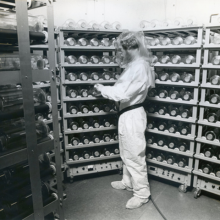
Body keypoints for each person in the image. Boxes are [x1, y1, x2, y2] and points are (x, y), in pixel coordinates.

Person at [94, 31, 155, 209]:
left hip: (132, 114)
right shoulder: (135, 65)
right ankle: (128, 182)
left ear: (129, 47)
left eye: (121, 49)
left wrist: (101, 88)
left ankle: (142, 193)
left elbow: (122, 93)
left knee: (134, 154)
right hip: (127, 113)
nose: (120, 53)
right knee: (126, 151)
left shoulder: (140, 67)